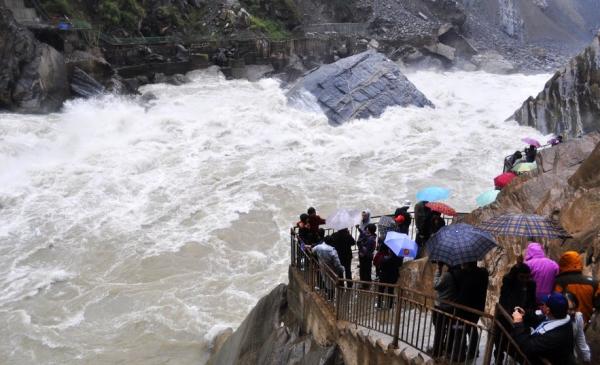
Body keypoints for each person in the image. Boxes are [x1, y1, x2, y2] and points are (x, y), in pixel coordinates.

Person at [512, 292, 575, 365]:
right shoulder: (559, 317)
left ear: (548, 310)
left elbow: (527, 346)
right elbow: (539, 319)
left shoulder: (555, 336)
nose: (542, 306)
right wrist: (525, 314)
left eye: (544, 304)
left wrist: (518, 323)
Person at [496, 261, 538, 362]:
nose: (524, 280)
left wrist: (527, 314)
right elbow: (504, 300)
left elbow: (532, 302)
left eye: (527, 277)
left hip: (522, 319)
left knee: (519, 346)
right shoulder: (509, 282)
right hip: (506, 318)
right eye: (522, 277)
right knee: (499, 343)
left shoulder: (531, 285)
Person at [455, 261, 489, 360]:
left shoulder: (470, 276)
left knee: (460, 329)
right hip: (477, 308)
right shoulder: (482, 274)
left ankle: (460, 354)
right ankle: (473, 351)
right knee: (472, 328)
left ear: (469, 264)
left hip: (466, 308)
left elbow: (465, 293)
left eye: (465, 263)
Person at [554, 251, 600, 323]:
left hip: (565, 324)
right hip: (586, 324)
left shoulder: (559, 282)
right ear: (579, 263)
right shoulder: (594, 283)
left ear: (562, 263)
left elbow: (556, 303)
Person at [431, 262, 460, 358]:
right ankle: (447, 350)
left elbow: (436, 285)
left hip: (442, 307)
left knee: (440, 330)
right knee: (451, 330)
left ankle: (437, 352)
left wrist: (438, 269)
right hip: (452, 308)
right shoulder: (459, 275)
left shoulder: (447, 275)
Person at [311, 229, 345, 300]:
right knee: (331, 283)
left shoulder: (319, 247)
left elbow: (313, 250)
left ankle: (327, 294)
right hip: (331, 269)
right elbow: (337, 263)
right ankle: (330, 298)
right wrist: (341, 269)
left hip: (322, 266)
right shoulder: (332, 251)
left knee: (325, 279)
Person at [565, 292, 591, 363]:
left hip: (570, 357)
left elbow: (580, 337)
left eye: (574, 309)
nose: (573, 312)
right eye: (569, 309)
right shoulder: (551, 319)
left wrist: (586, 357)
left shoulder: (578, 318)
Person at [374, 244, 402, 308]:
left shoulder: (385, 259)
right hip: (393, 277)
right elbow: (400, 265)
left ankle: (379, 304)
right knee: (391, 291)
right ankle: (390, 305)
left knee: (381, 290)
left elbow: (380, 267)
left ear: (390, 251)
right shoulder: (398, 259)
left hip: (384, 277)